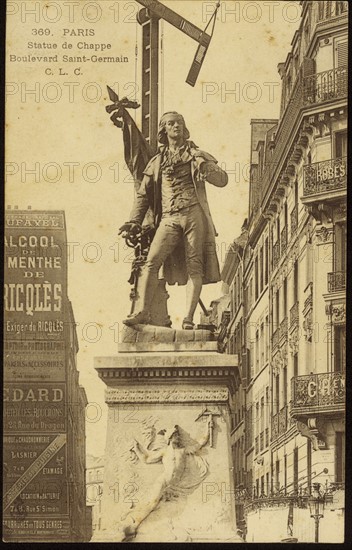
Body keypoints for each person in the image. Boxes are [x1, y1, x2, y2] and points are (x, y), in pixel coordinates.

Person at [119, 112, 228, 329]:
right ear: (164, 130)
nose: (176, 126)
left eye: (179, 122)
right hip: (169, 218)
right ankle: (142, 310)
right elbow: (143, 194)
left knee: (194, 267)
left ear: (184, 127)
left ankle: (188, 319)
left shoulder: (197, 155)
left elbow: (222, 180)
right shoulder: (157, 161)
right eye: (171, 123)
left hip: (193, 214)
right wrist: (134, 221)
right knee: (151, 261)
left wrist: (207, 169)